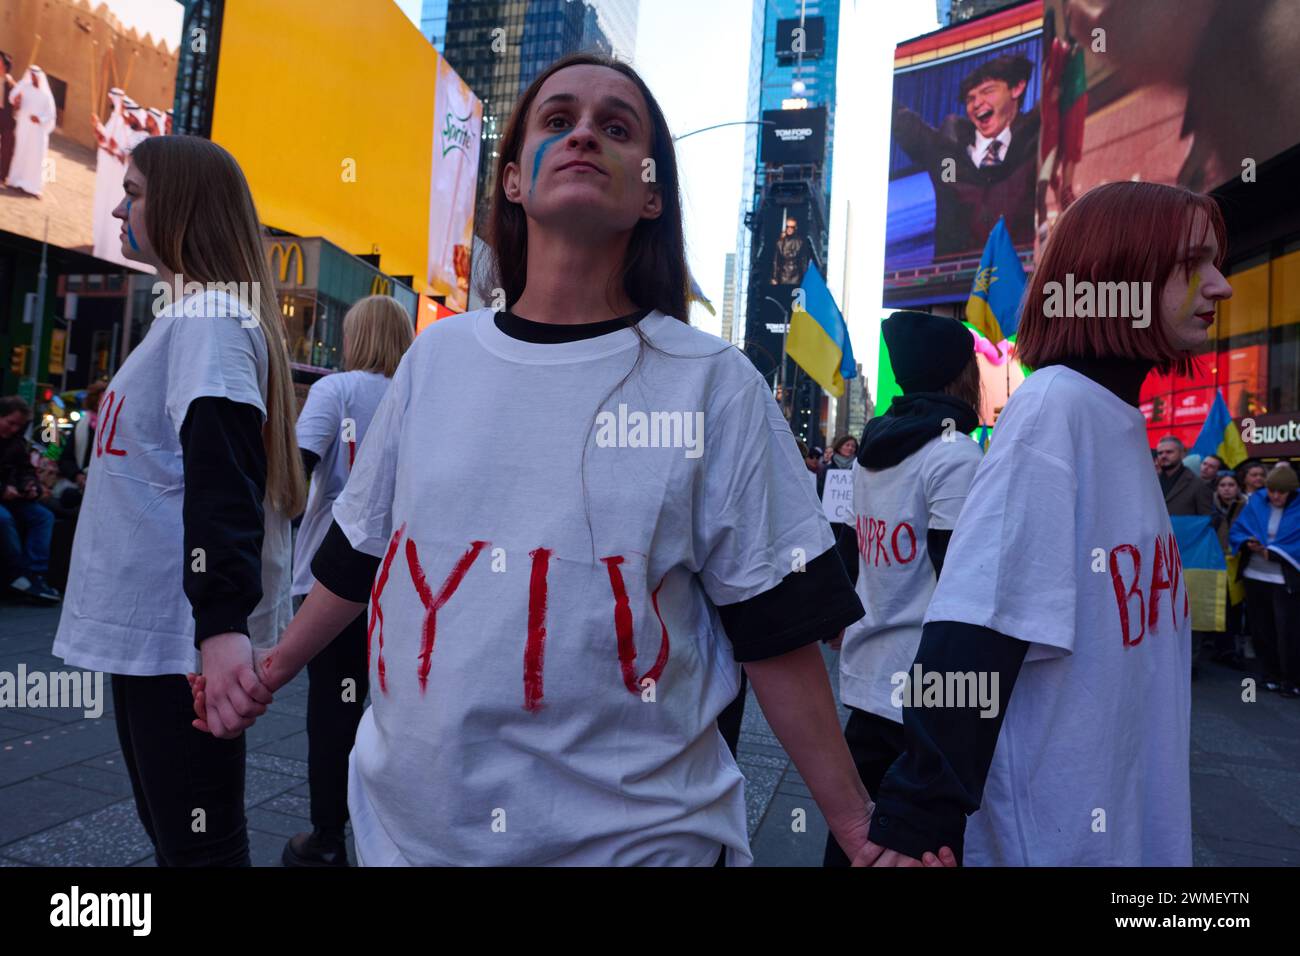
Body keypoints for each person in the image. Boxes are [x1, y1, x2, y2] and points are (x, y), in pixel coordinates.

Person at [190, 53, 956, 869]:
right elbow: (359, 550)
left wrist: (853, 826)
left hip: (632, 845)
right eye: (557, 122)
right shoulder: (435, 359)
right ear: (515, 180)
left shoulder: (714, 386)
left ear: (651, 195)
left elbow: (777, 632)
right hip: (402, 835)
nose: (584, 132)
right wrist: (266, 670)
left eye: (616, 127)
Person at [860, 180, 1232, 866]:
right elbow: (974, 629)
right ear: (1118, 273)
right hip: (1054, 840)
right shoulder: (1053, 410)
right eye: (1194, 264)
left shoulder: (1113, 420)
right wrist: (918, 818)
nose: (1221, 286)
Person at [51, 135, 306, 866]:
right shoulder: (190, 319)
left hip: (180, 644)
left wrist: (220, 629)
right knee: (180, 842)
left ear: (181, 205)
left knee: (199, 851)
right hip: (161, 638)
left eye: (132, 191)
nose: (119, 206)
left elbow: (223, 478)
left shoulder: (209, 320)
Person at [824, 310, 982, 868]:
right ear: (962, 376)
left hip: (869, 674)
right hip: (927, 687)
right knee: (913, 849)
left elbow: (850, 545)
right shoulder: (954, 453)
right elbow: (961, 582)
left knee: (855, 840)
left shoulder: (871, 447)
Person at [283, 295, 413, 868]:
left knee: (332, 709)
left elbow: (297, 465)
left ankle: (327, 837)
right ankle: (394, 839)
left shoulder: (336, 390)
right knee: (395, 711)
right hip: (409, 586)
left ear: (355, 337)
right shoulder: (421, 395)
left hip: (332, 578)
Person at [892, 54, 1040, 258]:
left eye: (988, 91)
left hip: (1022, 277)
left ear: (1017, 88)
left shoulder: (1037, 140)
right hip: (956, 283)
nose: (977, 103)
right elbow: (903, 123)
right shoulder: (947, 153)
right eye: (970, 98)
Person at [1230, 466, 1300, 697]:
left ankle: (1291, 680)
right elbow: (1238, 529)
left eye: (1281, 492)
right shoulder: (1257, 502)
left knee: (1288, 631)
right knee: (1261, 630)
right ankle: (1269, 675)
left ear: (1292, 492)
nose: (1276, 496)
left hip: (1284, 579)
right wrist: (1248, 542)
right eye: (1272, 491)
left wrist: (1276, 551)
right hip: (1255, 575)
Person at [0, 396, 60, 602]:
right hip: (5, 497)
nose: (14, 429)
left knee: (43, 517)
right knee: (3, 518)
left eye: (18, 425)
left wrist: (30, 486)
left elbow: (26, 470)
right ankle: (18, 573)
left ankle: (36, 573)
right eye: (10, 423)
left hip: (12, 496)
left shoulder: (18, 443)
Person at [1210, 469, 1248, 666]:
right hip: (1216, 563)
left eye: (1231, 485)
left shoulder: (1247, 507)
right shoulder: (1210, 508)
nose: (1227, 489)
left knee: (1236, 609)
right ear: (1216, 489)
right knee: (1219, 607)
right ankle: (1222, 649)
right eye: (1222, 485)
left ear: (1238, 487)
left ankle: (1235, 650)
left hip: (1240, 564)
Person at [6, 65, 56, 196]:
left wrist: (39, 119)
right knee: (21, 152)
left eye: (35, 75)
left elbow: (51, 115)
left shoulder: (46, 95)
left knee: (35, 156)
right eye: (31, 75)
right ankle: (16, 181)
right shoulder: (24, 87)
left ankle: (32, 186)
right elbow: (12, 98)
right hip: (23, 127)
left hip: (37, 131)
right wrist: (17, 99)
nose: (32, 77)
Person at [92, 89, 130, 261]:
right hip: (107, 170)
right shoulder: (115, 119)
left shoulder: (126, 126)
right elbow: (109, 142)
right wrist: (100, 133)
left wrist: (112, 147)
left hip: (118, 176)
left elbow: (124, 153)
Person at [0, 52, 16, 182]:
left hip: (6, 117)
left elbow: (17, 101)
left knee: (7, 147)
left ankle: (3, 174)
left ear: (5, 66)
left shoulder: (10, 83)